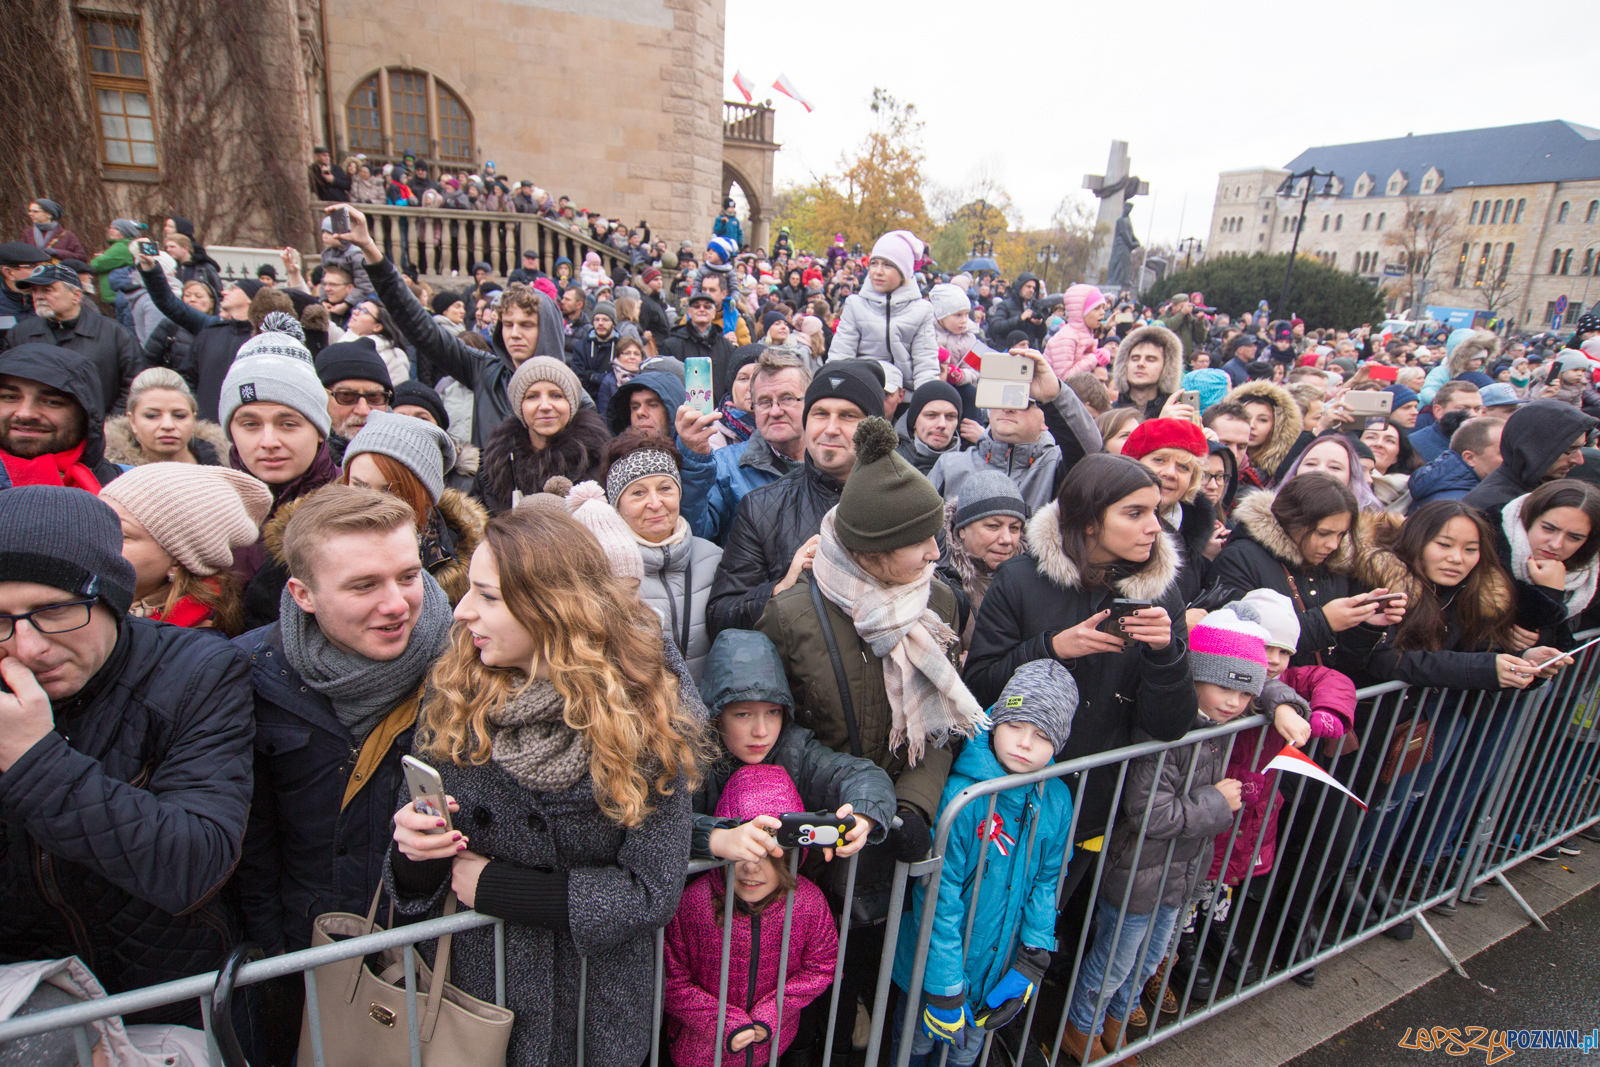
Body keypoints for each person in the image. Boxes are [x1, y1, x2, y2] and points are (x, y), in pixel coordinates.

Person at [387, 505, 702, 1067]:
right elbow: (419, 886)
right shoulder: (454, 694)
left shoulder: (647, 714)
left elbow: (651, 890)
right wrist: (415, 853)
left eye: (487, 596)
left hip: (593, 1010)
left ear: (551, 608)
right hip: (478, 1000)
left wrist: (499, 888)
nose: (461, 612)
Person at [0, 486, 253, 1005]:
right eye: (0, 620)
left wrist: (32, 762)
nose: (28, 647)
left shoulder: (196, 671)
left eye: (54, 610)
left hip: (169, 999)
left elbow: (195, 863)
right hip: (29, 1006)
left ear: (110, 596)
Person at [1062, 606, 1258, 1061]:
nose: (1234, 701)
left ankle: (1115, 1025)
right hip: (1136, 874)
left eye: (1244, 691)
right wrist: (1217, 804)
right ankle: (1080, 1029)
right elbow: (1149, 812)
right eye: (1224, 685)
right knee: (1113, 963)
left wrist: (1282, 702)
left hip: (1178, 874)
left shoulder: (1220, 725)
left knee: (1148, 962)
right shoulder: (1166, 729)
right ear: (1194, 678)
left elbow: (1269, 688)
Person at [890, 661, 1077, 1067]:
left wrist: (1032, 958)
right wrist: (942, 987)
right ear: (994, 722)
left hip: (998, 969)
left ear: (1059, 743)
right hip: (935, 973)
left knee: (965, 1054)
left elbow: (1047, 882)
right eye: (1015, 726)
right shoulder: (961, 798)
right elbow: (939, 898)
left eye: (1042, 735)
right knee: (913, 1050)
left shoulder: (1058, 800)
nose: (1025, 743)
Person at [337, 206, 567, 447]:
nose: (514, 334)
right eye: (508, 324)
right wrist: (369, 249)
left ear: (548, 330)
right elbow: (421, 327)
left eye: (527, 325)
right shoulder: (484, 371)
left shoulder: (574, 396)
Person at [664, 764, 839, 1067]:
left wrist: (774, 1011)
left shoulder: (808, 904)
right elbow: (671, 981)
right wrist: (721, 1023)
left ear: (791, 853)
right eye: (745, 847)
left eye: (768, 850)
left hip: (768, 1049)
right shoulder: (693, 903)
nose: (751, 865)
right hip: (697, 1054)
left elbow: (822, 966)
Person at [707, 363, 883, 634]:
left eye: (848, 416)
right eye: (820, 414)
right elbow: (720, 615)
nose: (831, 428)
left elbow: (955, 600)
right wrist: (782, 588)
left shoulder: (910, 498)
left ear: (873, 427)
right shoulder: (759, 508)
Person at [692, 628, 892, 862]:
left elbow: (865, 775)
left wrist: (862, 815)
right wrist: (716, 838)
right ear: (716, 715)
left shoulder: (794, 749)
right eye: (743, 714)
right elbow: (652, 826)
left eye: (773, 712)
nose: (761, 731)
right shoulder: (692, 758)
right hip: (703, 896)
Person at [1196, 473, 1400, 666]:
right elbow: (1234, 641)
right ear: (1292, 520)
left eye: (1341, 534)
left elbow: (1341, 663)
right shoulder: (1240, 558)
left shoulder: (1333, 564)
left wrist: (1366, 625)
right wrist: (1323, 623)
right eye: (1323, 533)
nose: (1333, 545)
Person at [220, 353, 342, 628]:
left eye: (288, 424)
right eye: (250, 424)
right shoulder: (204, 506)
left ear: (320, 430)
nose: (268, 441)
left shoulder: (354, 504)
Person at [601, 432, 722, 680]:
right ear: (617, 505)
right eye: (638, 493)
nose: (655, 503)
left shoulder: (714, 559)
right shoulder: (603, 573)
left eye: (665, 488)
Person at [99, 463, 269, 634]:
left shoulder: (195, 650)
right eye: (96, 524)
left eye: (123, 535)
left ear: (178, 560)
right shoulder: (82, 605)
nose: (97, 540)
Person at [341, 410, 488, 605]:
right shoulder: (314, 546)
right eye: (359, 486)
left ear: (424, 498)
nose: (369, 503)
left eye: (390, 493)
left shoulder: (471, 566)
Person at [928, 356, 1102, 512]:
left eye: (1023, 401)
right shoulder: (949, 465)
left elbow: (1090, 453)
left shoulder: (1055, 465)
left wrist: (1053, 394)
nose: (1008, 407)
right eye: (1001, 397)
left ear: (1046, 420)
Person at [133, 248, 262, 421]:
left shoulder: (267, 338)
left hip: (250, 424)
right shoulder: (211, 328)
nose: (224, 292)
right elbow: (169, 303)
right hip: (206, 426)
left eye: (233, 289)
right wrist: (150, 269)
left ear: (250, 299)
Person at [698, 350, 810, 543]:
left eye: (787, 398)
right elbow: (697, 533)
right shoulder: (726, 467)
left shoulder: (834, 459)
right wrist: (694, 461)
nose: (775, 411)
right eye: (765, 402)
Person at [479, 356, 611, 513]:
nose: (545, 406)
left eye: (556, 395)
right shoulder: (495, 465)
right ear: (519, 407)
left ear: (572, 404)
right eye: (532, 396)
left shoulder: (599, 463)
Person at [6, 263, 140, 416]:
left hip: (97, 432)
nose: (38, 296)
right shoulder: (20, 334)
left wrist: (107, 427)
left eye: (47, 290)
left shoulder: (115, 334)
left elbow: (134, 386)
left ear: (76, 295)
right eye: (34, 290)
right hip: (37, 428)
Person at [1488, 480, 1600, 649]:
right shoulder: (1484, 543)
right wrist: (1550, 592)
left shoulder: (1587, 578)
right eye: (1548, 528)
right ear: (1529, 517)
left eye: (1574, 537)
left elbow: (1553, 647)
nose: (1556, 544)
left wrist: (1543, 644)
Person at [1121, 417, 1222, 604]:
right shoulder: (1106, 518)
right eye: (1159, 460)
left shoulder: (1195, 528)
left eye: (1183, 467)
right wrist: (1181, 621)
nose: (1170, 473)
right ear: (1132, 463)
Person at [828, 231, 938, 388]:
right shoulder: (855, 305)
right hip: (862, 388)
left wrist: (925, 402)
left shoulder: (922, 310)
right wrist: (835, 391)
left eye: (887, 265)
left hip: (904, 394)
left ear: (903, 272)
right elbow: (840, 356)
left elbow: (925, 364)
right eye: (874, 263)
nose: (878, 271)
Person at [1463, 398, 1597, 528]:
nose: (1579, 460)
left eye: (1580, 448)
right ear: (1533, 449)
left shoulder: (1542, 487)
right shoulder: (1490, 509)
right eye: (1570, 450)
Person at [937, 470, 1027, 653]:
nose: (1007, 539)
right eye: (993, 526)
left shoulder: (1034, 576)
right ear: (962, 529)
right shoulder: (941, 579)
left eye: (1015, 528)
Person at [313, 339, 393, 463]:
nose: (363, 410)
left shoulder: (408, 463)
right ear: (320, 398)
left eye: (374, 397)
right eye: (346, 396)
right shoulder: (300, 464)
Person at [1407, 416, 1505, 510]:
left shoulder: (1446, 487)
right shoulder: (1461, 506)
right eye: (1503, 452)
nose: (1511, 457)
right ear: (1469, 458)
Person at [662, 285, 737, 402]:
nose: (702, 309)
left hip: (719, 415)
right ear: (689, 312)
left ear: (713, 313)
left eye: (707, 307)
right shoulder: (671, 345)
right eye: (696, 306)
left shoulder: (727, 347)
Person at [1275, 433, 1385, 511]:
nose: (1320, 471)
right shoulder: (1266, 520)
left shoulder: (1373, 532)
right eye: (1311, 464)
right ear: (1295, 472)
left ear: (1351, 478)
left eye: (1334, 467)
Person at [1226, 380, 1305, 485]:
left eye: (1262, 420)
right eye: (1246, 416)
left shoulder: (1283, 472)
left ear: (1278, 427)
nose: (1251, 425)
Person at [1110, 324, 1185, 421]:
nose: (1140, 364)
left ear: (1166, 367)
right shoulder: (1109, 416)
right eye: (1135, 358)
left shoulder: (1177, 417)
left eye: (1151, 359)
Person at [897, 380, 965, 475]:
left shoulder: (966, 471)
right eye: (931, 415)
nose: (942, 424)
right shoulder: (889, 464)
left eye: (950, 416)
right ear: (913, 421)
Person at [1043, 284, 1111, 378]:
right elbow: (1063, 379)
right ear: (1080, 311)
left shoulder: (1084, 334)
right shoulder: (1067, 337)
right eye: (1096, 308)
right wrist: (1094, 358)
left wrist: (1101, 353)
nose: (1102, 312)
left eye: (1103, 307)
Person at [1407, 382, 1484, 462]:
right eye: (1463, 409)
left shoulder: (1488, 443)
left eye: (1477, 409)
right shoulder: (1413, 445)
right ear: (1438, 411)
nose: (1473, 414)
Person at [567, 298, 618, 400]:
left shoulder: (621, 347)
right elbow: (578, 377)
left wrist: (591, 376)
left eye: (605, 319)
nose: (600, 323)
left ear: (613, 323)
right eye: (597, 319)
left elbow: (618, 378)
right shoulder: (581, 347)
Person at [986, 272, 1047, 351]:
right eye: (1028, 286)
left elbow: (1041, 335)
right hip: (1007, 353)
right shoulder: (1005, 305)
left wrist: (1040, 324)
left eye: (1033, 288)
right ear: (1019, 286)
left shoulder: (1035, 306)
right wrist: (1020, 319)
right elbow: (996, 326)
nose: (1031, 290)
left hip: (1028, 353)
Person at [0, 241, 49, 331]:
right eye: (33, 266)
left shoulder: (52, 299)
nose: (41, 271)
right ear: (9, 272)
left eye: (42, 266)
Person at [19, 198, 88, 261]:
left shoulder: (66, 235)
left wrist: (56, 252)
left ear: (48, 215)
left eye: (35, 211)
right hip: (34, 273)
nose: (31, 214)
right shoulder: (27, 233)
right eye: (30, 211)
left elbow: (82, 257)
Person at [1159, 293, 1208, 360]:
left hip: (1186, 359)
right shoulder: (1164, 317)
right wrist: (1182, 313)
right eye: (1181, 306)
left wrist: (1199, 322)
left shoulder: (1190, 319)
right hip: (1169, 358)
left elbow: (1200, 339)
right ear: (1173, 306)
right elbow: (1170, 327)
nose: (1185, 308)